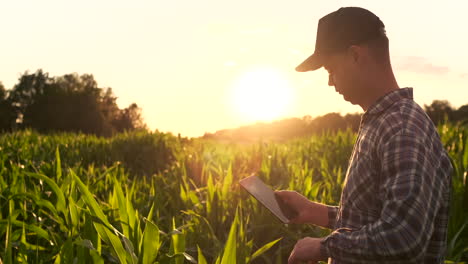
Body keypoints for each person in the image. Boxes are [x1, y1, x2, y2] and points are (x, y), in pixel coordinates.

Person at [275, 6, 453, 264]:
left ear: (355, 56)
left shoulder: (401, 127)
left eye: (330, 69)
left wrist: (323, 247)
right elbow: (375, 217)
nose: (330, 82)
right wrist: (315, 212)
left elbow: (404, 235)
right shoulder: (383, 122)